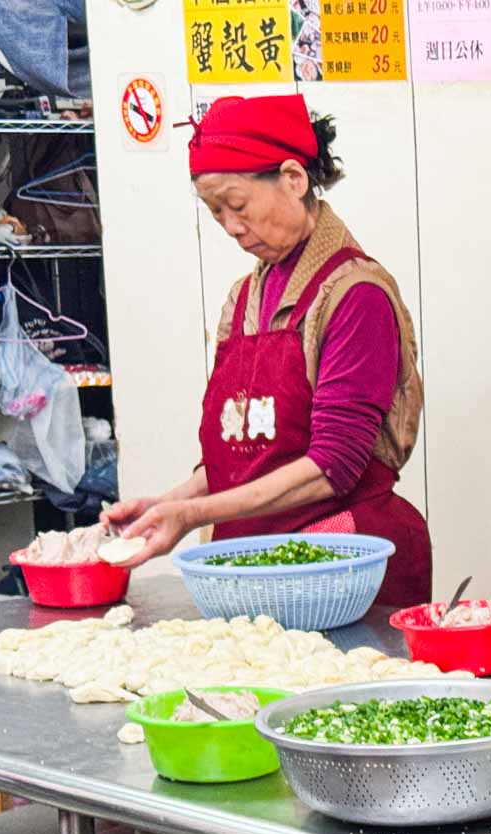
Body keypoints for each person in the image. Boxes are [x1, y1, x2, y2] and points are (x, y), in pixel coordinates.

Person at [102, 94, 430, 604]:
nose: (232, 227)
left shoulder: (354, 295)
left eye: (237, 206)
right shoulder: (241, 301)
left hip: (341, 557)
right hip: (253, 558)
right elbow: (244, 457)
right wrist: (162, 506)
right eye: (216, 214)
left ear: (294, 179)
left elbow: (332, 466)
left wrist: (192, 517)